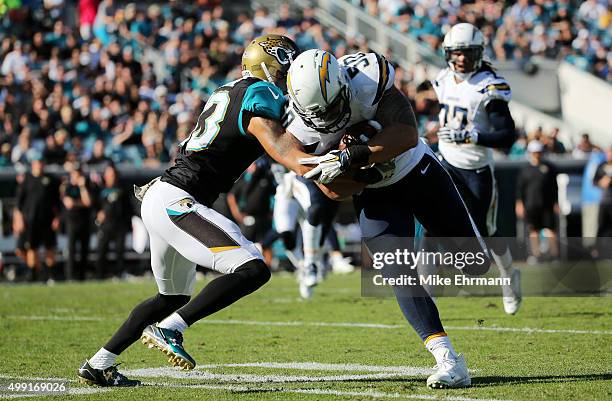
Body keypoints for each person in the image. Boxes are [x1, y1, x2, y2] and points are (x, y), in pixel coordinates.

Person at [78, 34, 317, 386]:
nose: (288, 74)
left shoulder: (230, 90)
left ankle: (99, 364)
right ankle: (172, 329)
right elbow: (283, 148)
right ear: (266, 65)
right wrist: (329, 159)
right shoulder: (259, 92)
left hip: (165, 196)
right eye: (284, 65)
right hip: (178, 199)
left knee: (171, 296)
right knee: (252, 268)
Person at [285, 49, 490, 389]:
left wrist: (356, 154)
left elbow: (407, 131)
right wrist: (361, 175)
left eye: (332, 107)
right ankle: (448, 359)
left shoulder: (366, 79)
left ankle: (433, 245)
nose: (326, 119)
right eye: (317, 114)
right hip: (375, 192)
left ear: (342, 86)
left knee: (475, 264)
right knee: (398, 273)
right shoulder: (298, 126)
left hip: (416, 171)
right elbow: (334, 192)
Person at [432, 23, 521, 315]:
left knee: (488, 233)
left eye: (467, 53)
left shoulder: (488, 85)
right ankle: (426, 281)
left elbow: (507, 135)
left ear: (478, 53)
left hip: (477, 169)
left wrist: (472, 136)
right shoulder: (443, 79)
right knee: (431, 214)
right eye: (456, 53)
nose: (460, 59)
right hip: (445, 161)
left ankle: (509, 276)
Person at [13, 157, 61, 281]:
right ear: (33, 164)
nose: (39, 165)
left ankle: (51, 276)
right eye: (36, 162)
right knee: (30, 249)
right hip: (30, 221)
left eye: (41, 162)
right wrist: (19, 220)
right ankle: (35, 274)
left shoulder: (50, 180)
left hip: (47, 220)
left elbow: (57, 202)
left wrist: (57, 218)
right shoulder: (27, 180)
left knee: (49, 248)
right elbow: (19, 204)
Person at [516, 140, 559, 263]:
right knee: (533, 231)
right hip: (531, 205)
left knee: (551, 230)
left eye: (538, 152)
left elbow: (554, 187)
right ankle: (536, 255)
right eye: (534, 152)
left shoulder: (549, 168)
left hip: (547, 205)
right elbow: (520, 189)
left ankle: (554, 255)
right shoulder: (525, 170)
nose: (536, 155)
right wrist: (519, 204)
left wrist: (556, 202)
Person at [94, 163, 133, 279]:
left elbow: (128, 207)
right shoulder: (100, 190)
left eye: (112, 174)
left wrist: (128, 222)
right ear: (105, 175)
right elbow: (94, 206)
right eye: (108, 174)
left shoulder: (122, 189)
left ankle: (119, 273)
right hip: (105, 225)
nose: (111, 176)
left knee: (120, 251)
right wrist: (97, 215)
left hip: (119, 224)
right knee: (101, 250)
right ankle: (100, 275)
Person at [60, 163, 93, 280]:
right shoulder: (67, 187)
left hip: (84, 222)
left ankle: (82, 276)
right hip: (72, 223)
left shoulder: (85, 186)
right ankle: (70, 276)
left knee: (84, 251)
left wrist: (82, 187)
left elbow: (88, 202)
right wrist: (81, 203)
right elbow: (69, 203)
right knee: (72, 250)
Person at [594, 147, 612, 256]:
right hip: (604, 201)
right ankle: (597, 250)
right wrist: (603, 182)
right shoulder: (601, 166)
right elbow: (595, 182)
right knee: (601, 225)